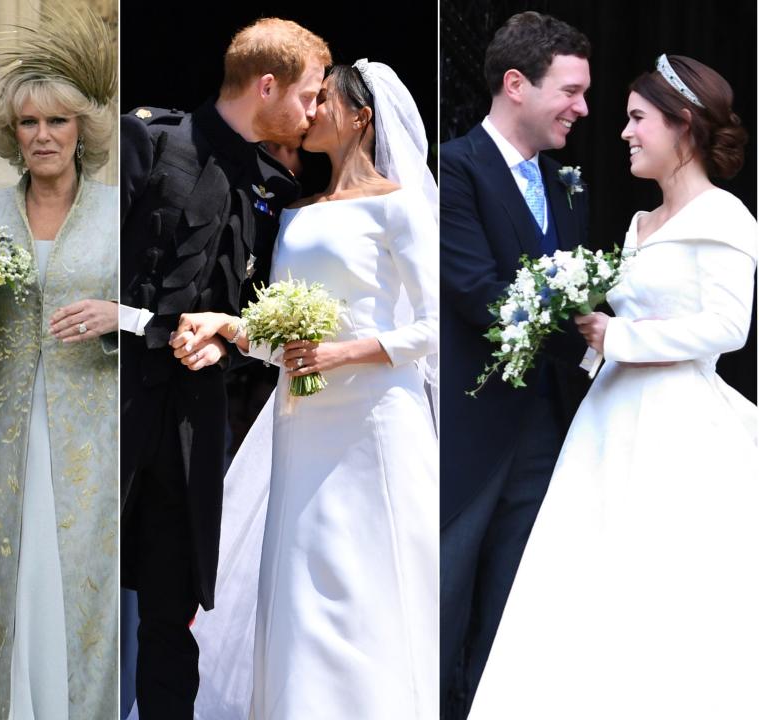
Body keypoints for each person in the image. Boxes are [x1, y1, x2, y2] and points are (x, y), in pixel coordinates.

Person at [469, 54, 759, 719]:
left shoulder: (725, 218)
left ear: (683, 124)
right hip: (608, 415)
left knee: (655, 574)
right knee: (584, 570)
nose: (623, 132)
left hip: (675, 422)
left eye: (637, 119)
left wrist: (619, 338)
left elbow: (728, 326)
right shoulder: (638, 225)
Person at [174, 59, 439, 719]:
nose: (310, 110)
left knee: (369, 580)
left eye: (323, 99)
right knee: (300, 585)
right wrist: (230, 326)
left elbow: (436, 327)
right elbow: (285, 337)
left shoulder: (399, 206)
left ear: (361, 114)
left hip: (374, 420)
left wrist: (345, 351)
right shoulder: (296, 213)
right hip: (302, 421)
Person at [120, 18, 330, 719]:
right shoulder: (147, 140)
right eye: (305, 96)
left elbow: (259, 313)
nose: (312, 112)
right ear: (265, 85)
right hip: (111, 411)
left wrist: (226, 340)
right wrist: (158, 329)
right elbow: (95, 280)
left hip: (194, 431)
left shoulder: (278, 191)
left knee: (173, 622)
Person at [0, 5, 118, 718]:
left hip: (92, 438)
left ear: (82, 130)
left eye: (57, 122)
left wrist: (115, 318)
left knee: (86, 595)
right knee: (14, 588)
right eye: (29, 124)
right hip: (0, 436)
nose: (43, 136)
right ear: (13, 135)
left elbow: (160, 313)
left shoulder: (117, 212)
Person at [438, 11, 594, 716]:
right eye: (570, 90)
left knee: (514, 595)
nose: (582, 108)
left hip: (544, 428)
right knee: (447, 592)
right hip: (470, 432)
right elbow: (474, 290)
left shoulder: (566, 182)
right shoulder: (456, 169)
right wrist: (593, 335)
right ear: (515, 85)